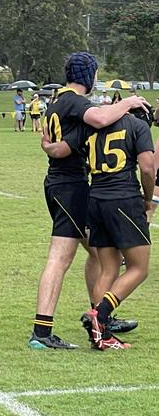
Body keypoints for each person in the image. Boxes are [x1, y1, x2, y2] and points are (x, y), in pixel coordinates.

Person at [29, 51, 149, 350]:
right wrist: (128, 102)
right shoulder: (72, 99)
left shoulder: (57, 100)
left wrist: (49, 147)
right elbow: (99, 117)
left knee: (98, 254)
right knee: (59, 257)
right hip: (70, 186)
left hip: (67, 183)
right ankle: (42, 332)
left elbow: (62, 147)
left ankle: (100, 316)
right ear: (87, 76)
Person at [43, 107, 154, 351]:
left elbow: (66, 149)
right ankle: (100, 315)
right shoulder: (138, 126)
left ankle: (100, 335)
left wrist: (46, 145)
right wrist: (148, 198)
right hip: (124, 198)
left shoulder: (94, 126)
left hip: (95, 200)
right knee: (139, 268)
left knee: (109, 268)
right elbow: (147, 167)